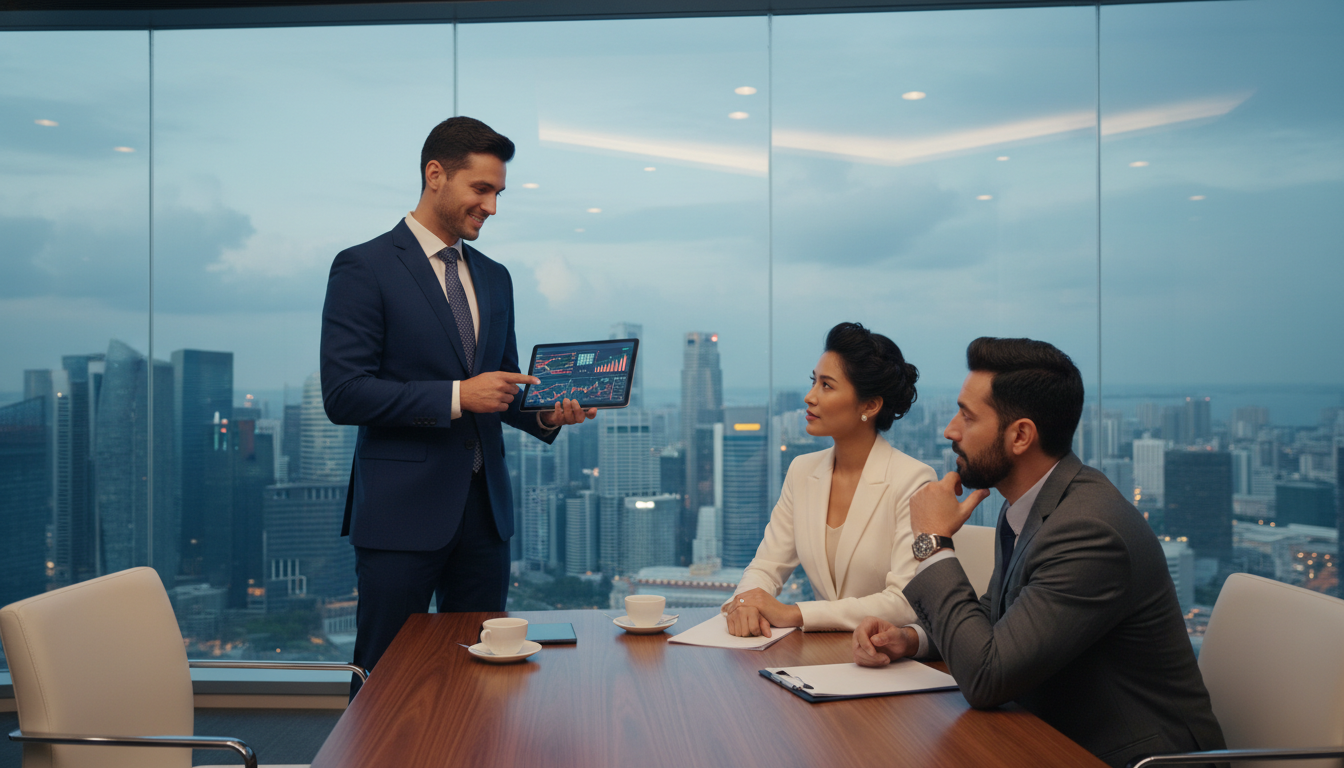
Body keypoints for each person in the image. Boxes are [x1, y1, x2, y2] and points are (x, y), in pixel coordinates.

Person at [851, 337, 1225, 768]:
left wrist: (932, 543)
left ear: (1021, 435)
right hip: (1050, 739)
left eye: (967, 417)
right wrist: (911, 639)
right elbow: (998, 621)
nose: (950, 430)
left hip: (1134, 760)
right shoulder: (1030, 506)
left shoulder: (1089, 530)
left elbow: (986, 676)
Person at [321, 117, 594, 696]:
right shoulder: (363, 267)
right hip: (401, 515)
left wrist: (546, 413)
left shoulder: (495, 278)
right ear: (435, 175)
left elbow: (503, 387)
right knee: (384, 685)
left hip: (484, 517)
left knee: (483, 684)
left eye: (498, 192)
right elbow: (344, 393)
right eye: (482, 190)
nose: (492, 206)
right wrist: (455, 396)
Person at [722, 322, 935, 637]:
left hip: (889, 661)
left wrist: (793, 613)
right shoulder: (802, 471)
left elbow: (904, 602)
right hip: (822, 656)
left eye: (827, 385)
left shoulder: (913, 480)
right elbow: (766, 567)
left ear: (870, 405)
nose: (810, 397)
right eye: (813, 382)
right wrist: (746, 603)